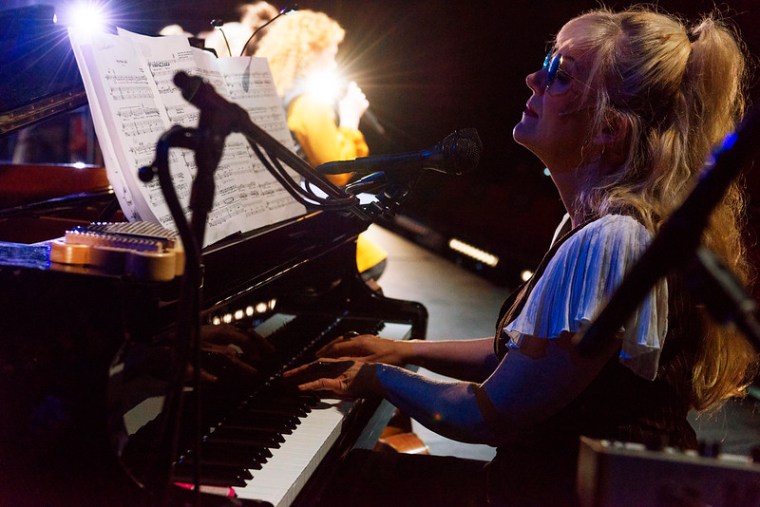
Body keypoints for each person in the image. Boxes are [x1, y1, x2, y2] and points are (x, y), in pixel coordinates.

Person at [283, 6, 759, 506]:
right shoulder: (594, 225)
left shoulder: (612, 241)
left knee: (346, 485)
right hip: (552, 487)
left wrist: (379, 377)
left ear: (608, 129)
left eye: (560, 74)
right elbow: (529, 360)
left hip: (580, 496)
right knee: (359, 472)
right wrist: (404, 352)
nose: (534, 79)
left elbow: (488, 415)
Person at [255, 9, 388, 283]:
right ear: (310, 52)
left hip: (273, 209)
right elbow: (338, 172)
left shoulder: (273, 91)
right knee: (373, 262)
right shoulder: (308, 102)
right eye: (330, 54)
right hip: (301, 219)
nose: (334, 64)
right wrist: (350, 119)